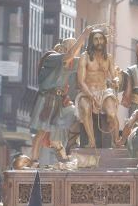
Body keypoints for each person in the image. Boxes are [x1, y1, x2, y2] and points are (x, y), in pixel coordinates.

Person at [30, 25, 98, 163]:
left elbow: (89, 61)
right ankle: (34, 159)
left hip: (60, 100)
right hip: (47, 99)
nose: (77, 50)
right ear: (66, 47)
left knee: (77, 114)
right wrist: (84, 35)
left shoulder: (72, 63)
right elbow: (70, 55)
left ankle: (67, 145)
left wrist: (97, 43)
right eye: (75, 47)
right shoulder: (53, 58)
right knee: (42, 131)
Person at [76, 28, 120, 147]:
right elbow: (81, 82)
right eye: (96, 39)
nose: (99, 41)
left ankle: (116, 140)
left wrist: (116, 81)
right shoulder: (84, 57)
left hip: (104, 91)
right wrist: (91, 96)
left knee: (112, 114)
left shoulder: (109, 57)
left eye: (101, 39)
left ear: (104, 41)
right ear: (91, 42)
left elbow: (113, 76)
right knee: (86, 109)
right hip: (87, 91)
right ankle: (91, 141)